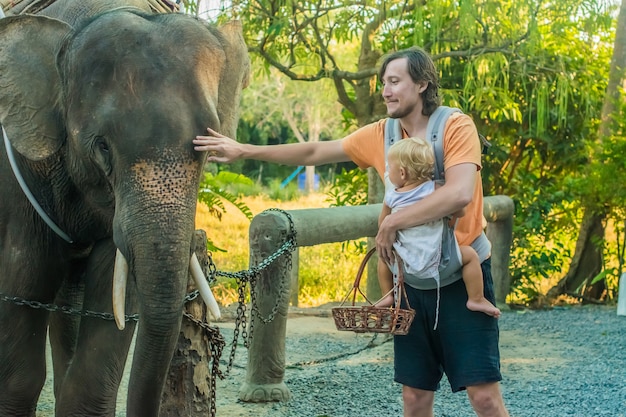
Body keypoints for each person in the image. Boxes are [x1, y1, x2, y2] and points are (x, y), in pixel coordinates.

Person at [194, 46, 510, 417]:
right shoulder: (383, 134)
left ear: (423, 83)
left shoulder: (456, 126)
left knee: (484, 397)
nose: (385, 91)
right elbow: (315, 152)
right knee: (415, 398)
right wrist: (245, 150)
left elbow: (458, 193)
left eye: (395, 82)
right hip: (409, 284)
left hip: (460, 275)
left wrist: (391, 221)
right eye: (383, 83)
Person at [376, 137, 501, 320]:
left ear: (402, 173)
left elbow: (383, 223)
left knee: (383, 257)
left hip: (404, 262)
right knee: (470, 256)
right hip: (437, 259)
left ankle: (388, 296)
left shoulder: (392, 196)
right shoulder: (436, 189)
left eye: (389, 168)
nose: (388, 171)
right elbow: (460, 211)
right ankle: (476, 298)